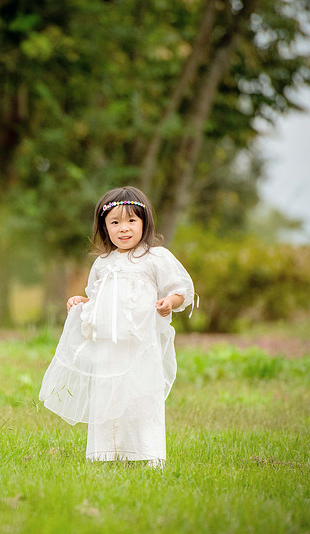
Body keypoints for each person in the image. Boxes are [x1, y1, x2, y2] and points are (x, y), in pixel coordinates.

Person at [38, 186, 195, 467]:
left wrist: (169, 301)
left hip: (140, 344)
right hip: (108, 346)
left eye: (131, 221)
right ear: (105, 227)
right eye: (115, 222)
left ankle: (149, 454)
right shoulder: (102, 263)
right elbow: (98, 297)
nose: (124, 228)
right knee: (107, 395)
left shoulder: (154, 257)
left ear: (144, 223)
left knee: (141, 396)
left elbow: (181, 289)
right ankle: (105, 453)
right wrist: (81, 302)